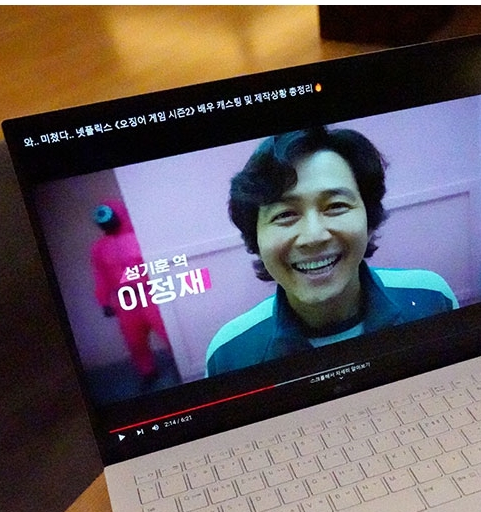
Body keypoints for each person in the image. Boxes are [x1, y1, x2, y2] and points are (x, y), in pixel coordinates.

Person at [205, 126, 457, 376]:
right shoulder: (229, 353)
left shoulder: (431, 297)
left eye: (336, 206)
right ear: (256, 238)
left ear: (369, 219)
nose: (314, 237)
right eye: (285, 214)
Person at [90, 199, 170, 388]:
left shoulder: (141, 238)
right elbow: (101, 276)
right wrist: (104, 301)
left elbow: (161, 264)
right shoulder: (99, 248)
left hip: (150, 294)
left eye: (110, 217)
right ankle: (147, 372)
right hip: (124, 301)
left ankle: (189, 365)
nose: (106, 223)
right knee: (135, 341)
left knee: (170, 333)